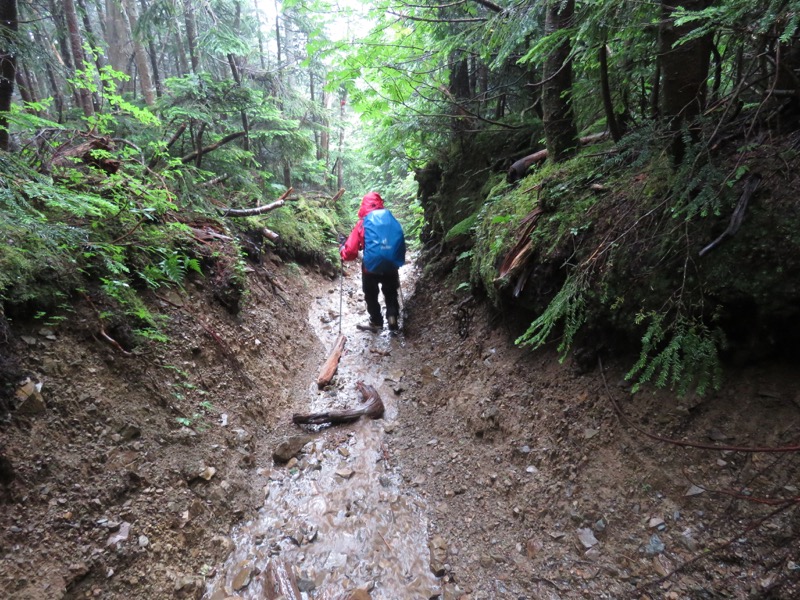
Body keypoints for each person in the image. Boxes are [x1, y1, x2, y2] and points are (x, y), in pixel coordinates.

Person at [340, 191, 402, 331]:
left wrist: (342, 252)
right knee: (391, 292)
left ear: (363, 205)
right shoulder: (390, 219)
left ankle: (376, 322)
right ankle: (392, 317)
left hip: (370, 267)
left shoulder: (362, 223)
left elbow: (350, 251)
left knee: (371, 294)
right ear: (380, 203)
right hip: (390, 266)